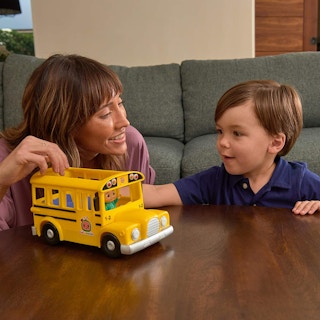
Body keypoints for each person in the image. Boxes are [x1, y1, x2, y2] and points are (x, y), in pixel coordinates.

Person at [0, 54, 155, 230]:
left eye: (120, 103)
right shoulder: (8, 158)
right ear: (66, 123)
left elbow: (141, 213)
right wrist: (2, 180)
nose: (124, 122)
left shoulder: (131, 143)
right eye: (105, 114)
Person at [143, 80, 320, 215]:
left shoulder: (300, 181)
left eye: (237, 133)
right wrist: (115, 193)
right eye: (220, 131)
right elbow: (157, 193)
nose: (222, 142)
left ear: (275, 143)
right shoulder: (215, 181)